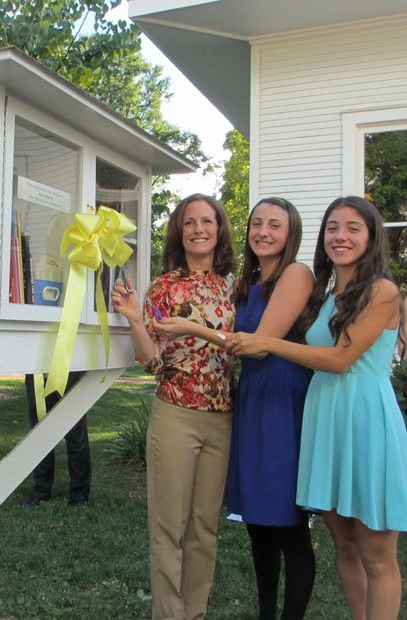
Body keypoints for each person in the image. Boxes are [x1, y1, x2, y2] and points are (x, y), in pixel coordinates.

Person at [230, 196, 407, 620]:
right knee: (344, 546)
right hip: (324, 420)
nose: (340, 236)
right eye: (332, 227)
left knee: (377, 555)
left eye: (352, 228)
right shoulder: (328, 296)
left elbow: (340, 359)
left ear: (371, 238)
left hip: (365, 421)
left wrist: (267, 342)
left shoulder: (383, 291)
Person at [157, 198, 316, 619]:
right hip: (246, 402)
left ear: (291, 233)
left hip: (281, 400)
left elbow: (257, 345)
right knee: (259, 522)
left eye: (275, 225)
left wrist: (190, 327)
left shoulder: (296, 274)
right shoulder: (244, 284)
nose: (263, 231)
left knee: (288, 525)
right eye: (257, 223)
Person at [111, 193, 235, 620]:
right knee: (169, 527)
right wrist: (133, 317)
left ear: (219, 229)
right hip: (176, 413)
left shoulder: (232, 286)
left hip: (222, 417)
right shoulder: (164, 286)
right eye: (189, 222)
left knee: (205, 528)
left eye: (207, 221)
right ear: (178, 231)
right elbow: (152, 362)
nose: (199, 229)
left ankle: (195, 613)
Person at [23, 370, 90, 506]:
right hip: (36, 371)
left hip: (70, 368)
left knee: (76, 435)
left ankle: (79, 496)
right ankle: (41, 491)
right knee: (39, 434)